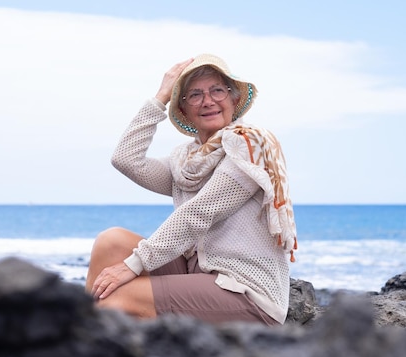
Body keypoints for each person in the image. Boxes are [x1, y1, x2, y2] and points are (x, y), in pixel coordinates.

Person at [85, 54, 297, 325]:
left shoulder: (250, 147)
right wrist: (160, 97)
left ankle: (83, 344)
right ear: (183, 110)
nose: (208, 101)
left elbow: (199, 213)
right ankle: (80, 342)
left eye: (217, 90)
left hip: (246, 292)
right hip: (197, 274)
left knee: (116, 299)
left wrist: (133, 265)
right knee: (110, 241)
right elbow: (126, 159)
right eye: (194, 95)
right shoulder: (186, 160)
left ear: (234, 99)